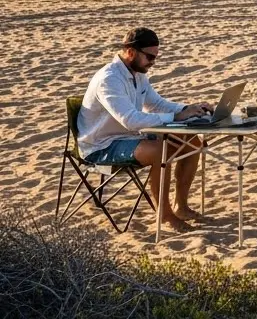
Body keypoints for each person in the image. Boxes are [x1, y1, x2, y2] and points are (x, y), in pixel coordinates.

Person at [77, 27, 211, 231]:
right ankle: (165, 216)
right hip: (101, 145)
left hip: (129, 136)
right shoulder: (109, 79)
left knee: (191, 142)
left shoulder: (137, 74)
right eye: (149, 57)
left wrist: (189, 109)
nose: (152, 62)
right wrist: (176, 116)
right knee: (161, 152)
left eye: (155, 57)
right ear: (131, 52)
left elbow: (156, 104)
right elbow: (130, 120)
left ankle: (181, 207)